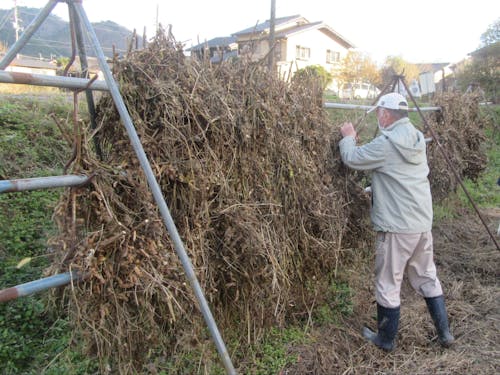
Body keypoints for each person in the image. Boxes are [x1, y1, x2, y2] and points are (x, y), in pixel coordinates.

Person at [338, 92, 454, 352]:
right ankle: (445, 333)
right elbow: (396, 174)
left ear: (387, 114)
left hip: (396, 227)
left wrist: (347, 138)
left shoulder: (386, 143)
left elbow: (353, 158)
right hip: (421, 223)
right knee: (426, 276)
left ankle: (385, 340)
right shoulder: (415, 137)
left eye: (380, 112)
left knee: (389, 282)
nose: (378, 116)